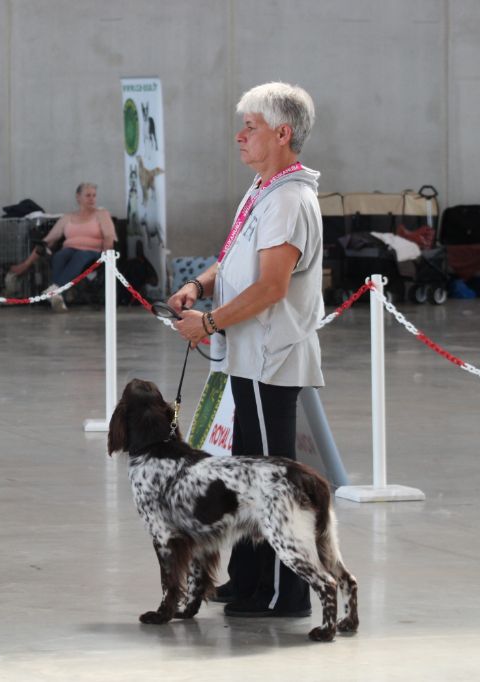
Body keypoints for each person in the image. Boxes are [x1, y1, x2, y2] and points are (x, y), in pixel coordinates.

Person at [167, 82, 324, 618]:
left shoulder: (288, 199)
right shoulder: (263, 188)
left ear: (282, 134)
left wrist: (207, 322)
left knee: (271, 481)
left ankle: (285, 592)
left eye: (250, 127)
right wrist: (201, 285)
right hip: (247, 356)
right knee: (248, 473)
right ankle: (251, 578)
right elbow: (236, 256)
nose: (239, 135)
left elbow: (271, 286)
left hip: (268, 359)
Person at [6, 183, 115, 311]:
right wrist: (25, 264)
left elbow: (109, 237)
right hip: (70, 250)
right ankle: (57, 296)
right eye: (88, 195)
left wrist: (108, 258)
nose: (92, 199)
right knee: (59, 256)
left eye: (94, 196)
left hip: (93, 252)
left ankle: (55, 291)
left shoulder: (102, 214)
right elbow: (48, 240)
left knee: (80, 255)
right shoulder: (67, 217)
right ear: (78, 197)